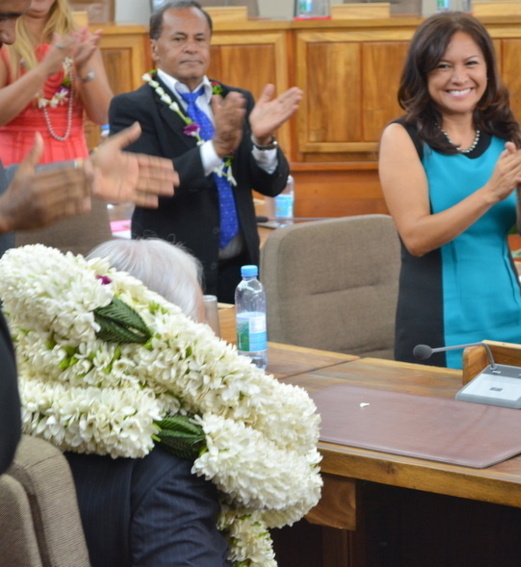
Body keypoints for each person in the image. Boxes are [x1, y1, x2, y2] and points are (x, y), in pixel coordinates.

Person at [0, 0, 177, 474]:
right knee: (25, 310)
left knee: (94, 296)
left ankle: (91, 408)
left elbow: (105, 112)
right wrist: (50, 63)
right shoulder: (11, 33)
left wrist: (83, 69)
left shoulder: (74, 32)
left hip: (81, 173)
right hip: (20, 177)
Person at [378, 12, 521, 369]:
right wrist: (489, 192)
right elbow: (416, 237)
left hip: (509, 319)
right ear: (422, 74)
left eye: (471, 63)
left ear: (487, 70)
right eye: (442, 66)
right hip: (439, 332)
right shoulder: (402, 137)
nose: (459, 78)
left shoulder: (504, 133)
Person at [109, 0, 302, 303]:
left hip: (240, 270)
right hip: (170, 272)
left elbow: (271, 185)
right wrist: (215, 149)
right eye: (178, 38)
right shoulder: (132, 107)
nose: (191, 47)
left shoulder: (235, 100)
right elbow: (150, 183)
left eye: (200, 39)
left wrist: (263, 142)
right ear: (154, 48)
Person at [63, 238, 229, 567]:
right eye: (201, 322)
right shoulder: (171, 467)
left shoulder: (30, 419)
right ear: (170, 340)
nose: (212, 337)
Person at [0, 0, 113, 165]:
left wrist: (83, 68)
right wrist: (43, 70)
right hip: (17, 169)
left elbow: (104, 116)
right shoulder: (5, 38)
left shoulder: (79, 38)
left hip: (74, 165)